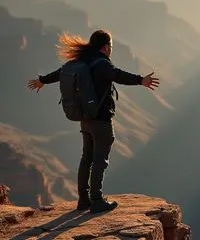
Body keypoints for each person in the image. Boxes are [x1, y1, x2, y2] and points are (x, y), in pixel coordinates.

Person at [27, 29, 159, 213]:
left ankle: (83, 200)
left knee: (86, 158)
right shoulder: (102, 63)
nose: (111, 50)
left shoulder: (80, 60)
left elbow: (61, 73)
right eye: (111, 47)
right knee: (100, 160)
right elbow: (118, 75)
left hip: (85, 118)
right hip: (101, 120)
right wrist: (141, 80)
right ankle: (96, 200)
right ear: (106, 47)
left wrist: (42, 80)